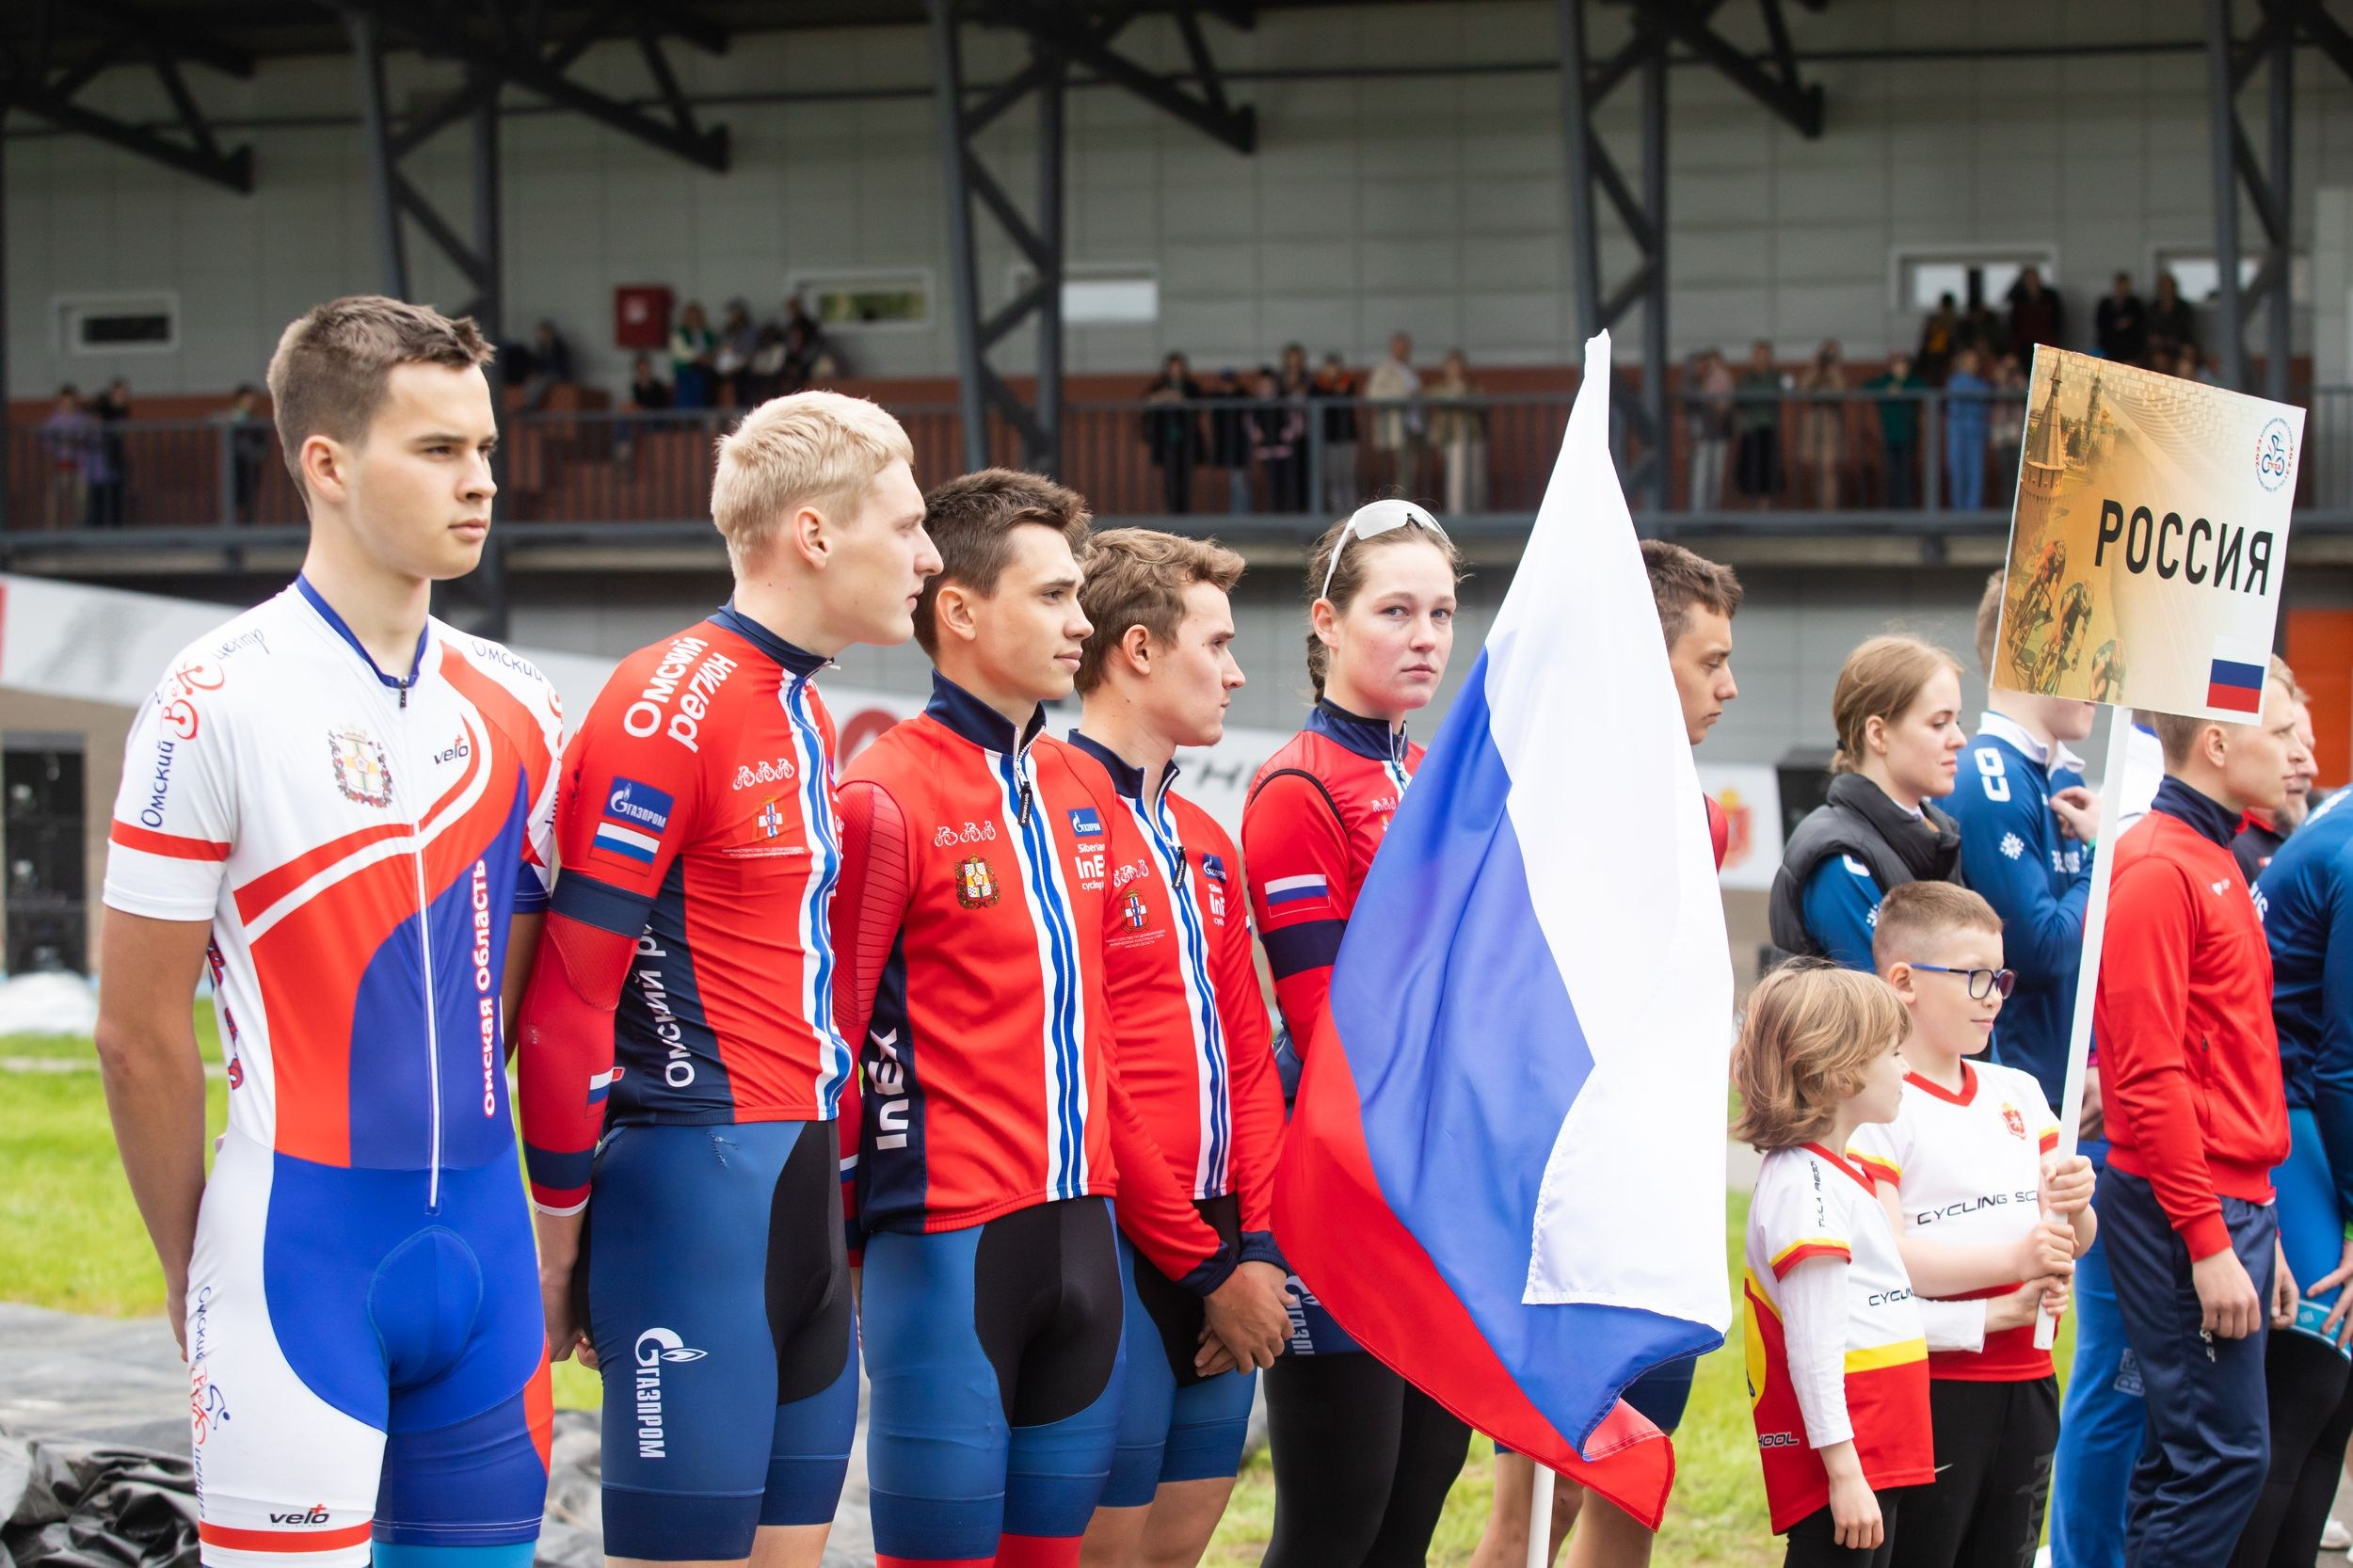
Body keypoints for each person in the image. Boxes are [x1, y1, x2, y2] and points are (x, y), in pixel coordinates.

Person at [94, 296, 565, 1567]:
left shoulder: (521, 702)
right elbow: (137, 1040)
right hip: (291, 1259)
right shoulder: (212, 698)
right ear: (327, 464)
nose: (480, 483)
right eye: (438, 451)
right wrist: (199, 1271)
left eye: (484, 450)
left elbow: (512, 1004)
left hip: (485, 1261)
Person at [832, 471, 1290, 1568]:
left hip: (1089, 1240)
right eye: (1050, 598)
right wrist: (839, 1238)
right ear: (960, 609)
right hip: (968, 1245)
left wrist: (1253, 1239)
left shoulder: (1086, 799)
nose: (1077, 624)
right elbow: (835, 1044)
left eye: (1078, 598)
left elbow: (1196, 1046)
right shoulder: (890, 789)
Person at [513, 392, 936, 1568]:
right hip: (693, 1192)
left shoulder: (799, 701)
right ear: (812, 533)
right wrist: (558, 1244)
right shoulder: (669, 701)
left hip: (795, 1188)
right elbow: (565, 1005)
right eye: (903, 527)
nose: (928, 554)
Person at [1468, 539, 1745, 1568]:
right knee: (1522, 1515)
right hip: (1565, 1213)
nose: (1731, 684)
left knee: (1633, 1496)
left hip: (1659, 1211)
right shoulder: (1540, 813)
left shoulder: (1698, 818)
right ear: (1641, 659)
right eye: (1707, 661)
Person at [1243, 500, 1469, 1568]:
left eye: (1441, 610)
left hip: (1436, 1191)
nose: (1426, 634)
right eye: (1396, 610)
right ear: (1327, 621)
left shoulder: (1430, 774)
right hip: (1341, 1194)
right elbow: (1327, 1024)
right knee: (1336, 1525)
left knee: (1415, 1508)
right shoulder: (1297, 786)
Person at [1064, 529, 1292, 1568]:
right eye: (1219, 642)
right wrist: (1207, 1268)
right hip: (1116, 1237)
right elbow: (1086, 1070)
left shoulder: (1205, 834)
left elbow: (1251, 1056)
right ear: (1140, 651)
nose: (1239, 671)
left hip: (1226, 1242)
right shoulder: (1049, 812)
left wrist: (1259, 1249)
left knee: (1175, 1554)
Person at [2095, 681, 2307, 1564]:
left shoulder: (2218, 856)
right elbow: (2147, 1075)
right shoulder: (2158, 865)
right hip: (2185, 1211)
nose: (2303, 750)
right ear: (2216, 742)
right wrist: (2211, 1240)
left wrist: (2264, 1232)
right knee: (2222, 1459)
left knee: (2188, 1457)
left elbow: (2233, 1058)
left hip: (2230, 1206)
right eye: (2282, 729)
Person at [1849, 883, 2095, 1568]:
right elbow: (1890, 1254)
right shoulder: (1877, 1106)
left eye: (2001, 977)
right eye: (1975, 977)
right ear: (1904, 982)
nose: (1994, 995)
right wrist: (2013, 1269)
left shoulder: (2015, 1091)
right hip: (1929, 1386)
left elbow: (2074, 1237)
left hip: (2029, 1377)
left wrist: (2076, 1204)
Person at [1733, 962, 1931, 1568]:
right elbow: (1813, 1349)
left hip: (1877, 1450)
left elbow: (1877, 1315)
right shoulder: (1806, 1187)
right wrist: (1844, 1474)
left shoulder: (1837, 1174)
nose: (1906, 1068)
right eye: (1893, 1053)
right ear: (1839, 1072)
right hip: (1850, 1462)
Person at [2245, 760, 2353, 1566]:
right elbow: (2343, 1063)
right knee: (2310, 1381)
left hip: (2307, 1096)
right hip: (2289, 1102)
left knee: (2334, 1397)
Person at [1769, 636, 1968, 970]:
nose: (1960, 740)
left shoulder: (1935, 832)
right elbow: (1894, 1007)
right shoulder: (1838, 859)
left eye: (1957, 722)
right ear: (1877, 734)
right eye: (1939, 723)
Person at [2232, 661, 2318, 880]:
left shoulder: (2318, 834)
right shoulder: (2226, 846)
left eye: (2309, 747)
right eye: (2283, 739)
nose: (2311, 768)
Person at [1143, 354, 1205, 516]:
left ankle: (1184, 513)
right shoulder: (1159, 385)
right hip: (1166, 440)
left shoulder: (1191, 386)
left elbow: (1197, 407)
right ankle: (1173, 512)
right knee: (1169, 480)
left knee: (1185, 479)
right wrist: (1164, 397)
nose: (1175, 371)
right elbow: (1148, 401)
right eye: (1172, 367)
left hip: (1187, 440)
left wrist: (1178, 399)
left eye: (1178, 367)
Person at [1427, 350, 1488, 515]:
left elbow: (1481, 404)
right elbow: (1434, 399)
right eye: (1452, 366)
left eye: (1459, 365)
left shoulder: (1472, 387)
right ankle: (1457, 513)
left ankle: (1477, 512)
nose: (1456, 369)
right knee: (1457, 477)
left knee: (1476, 478)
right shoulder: (1440, 388)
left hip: (1474, 436)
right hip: (1453, 437)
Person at [1364, 333, 1423, 499]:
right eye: (1399, 347)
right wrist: (1403, 395)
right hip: (1394, 426)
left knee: (1410, 468)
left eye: (1405, 348)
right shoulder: (1384, 370)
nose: (1402, 351)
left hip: (1413, 426)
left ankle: (1407, 501)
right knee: (1398, 469)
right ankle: (1398, 505)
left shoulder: (1411, 370)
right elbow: (1373, 394)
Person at [1863, 351, 1923, 510]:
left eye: (1904, 364)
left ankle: (1906, 508)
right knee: (1892, 474)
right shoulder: (1885, 381)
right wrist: (1887, 391)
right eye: (1897, 364)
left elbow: (1923, 388)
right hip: (1889, 436)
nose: (1901, 367)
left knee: (1907, 474)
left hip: (1908, 435)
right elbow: (1867, 386)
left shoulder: (1912, 382)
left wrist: (1902, 390)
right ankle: (1894, 508)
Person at [1796, 341, 1847, 509]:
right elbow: (1802, 389)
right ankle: (1820, 507)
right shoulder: (1815, 373)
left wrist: (1833, 368)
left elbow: (1840, 392)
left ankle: (1829, 510)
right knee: (1816, 470)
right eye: (1826, 353)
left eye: (1831, 354)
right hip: (1813, 422)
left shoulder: (1837, 373)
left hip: (1830, 423)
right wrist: (1814, 367)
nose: (1828, 357)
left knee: (1829, 469)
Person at [1735, 341, 1785, 507]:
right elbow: (1742, 396)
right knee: (1751, 469)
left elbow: (1784, 390)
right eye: (1759, 355)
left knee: (1768, 469)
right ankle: (1754, 508)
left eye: (1765, 355)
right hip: (1751, 428)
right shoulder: (1746, 378)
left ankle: (1765, 508)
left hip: (1769, 427)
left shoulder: (1776, 377)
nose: (1762, 359)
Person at [1251, 367, 1307, 515]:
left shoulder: (1284, 402)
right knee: (1270, 484)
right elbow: (1250, 424)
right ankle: (1273, 512)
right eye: (1262, 385)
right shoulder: (1255, 406)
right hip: (1265, 451)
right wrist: (1257, 435)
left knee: (1286, 482)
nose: (1266, 388)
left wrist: (1290, 434)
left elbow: (1296, 421)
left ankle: (1287, 512)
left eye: (1268, 385)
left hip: (1283, 450)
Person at [214, 384, 272, 524]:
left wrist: (258, 455)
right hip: (236, 466)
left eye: (251, 399)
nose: (249, 402)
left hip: (251, 467)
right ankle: (232, 530)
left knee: (249, 500)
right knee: (233, 499)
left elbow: (262, 445)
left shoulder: (256, 421)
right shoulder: (233, 418)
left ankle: (247, 528)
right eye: (246, 399)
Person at [1686, 349, 1735, 511]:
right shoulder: (1694, 382)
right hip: (1703, 435)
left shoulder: (1723, 380)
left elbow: (1725, 406)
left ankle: (1712, 512)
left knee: (1716, 477)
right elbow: (1693, 407)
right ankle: (1698, 514)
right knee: (1701, 476)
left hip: (1719, 434)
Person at [1944, 349, 1992, 511]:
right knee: (1958, 472)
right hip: (1958, 433)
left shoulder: (1981, 384)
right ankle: (1960, 511)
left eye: (1974, 361)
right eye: (1968, 361)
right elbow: (1955, 408)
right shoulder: (1955, 382)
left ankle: (1973, 511)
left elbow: (1984, 402)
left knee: (1975, 472)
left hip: (1976, 433)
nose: (1972, 365)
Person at [41, 386, 94, 531]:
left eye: (71, 401)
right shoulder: (54, 421)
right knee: (54, 501)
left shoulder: (82, 419)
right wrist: (61, 443)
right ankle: (52, 533)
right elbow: (47, 442)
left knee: (81, 502)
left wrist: (78, 440)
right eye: (65, 401)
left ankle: (79, 532)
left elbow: (89, 437)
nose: (68, 404)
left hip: (80, 466)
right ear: (60, 402)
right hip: (61, 466)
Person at [1314, 352, 1360, 513]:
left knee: (1347, 477)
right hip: (1329, 438)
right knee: (1332, 478)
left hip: (1347, 437)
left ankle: (1351, 511)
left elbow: (1348, 397)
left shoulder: (1348, 383)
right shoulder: (1318, 386)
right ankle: (1337, 512)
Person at [1207, 369, 1254, 514]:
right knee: (1235, 481)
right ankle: (1238, 513)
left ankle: (1241, 514)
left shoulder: (1243, 397)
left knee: (1239, 481)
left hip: (1241, 446)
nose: (1227, 386)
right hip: (1227, 446)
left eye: (1230, 382)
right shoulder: (1217, 398)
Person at [670, 301, 717, 409]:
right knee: (689, 388)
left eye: (696, 317)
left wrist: (708, 358)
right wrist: (699, 358)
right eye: (691, 317)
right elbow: (682, 353)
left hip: (705, 369)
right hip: (686, 369)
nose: (693, 320)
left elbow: (713, 349)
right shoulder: (679, 333)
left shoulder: (707, 333)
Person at [2144, 273, 2195, 369]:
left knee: (2187, 359)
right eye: (2163, 288)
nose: (2166, 291)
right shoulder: (2153, 308)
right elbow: (2149, 331)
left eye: (2168, 287)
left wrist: (2177, 342)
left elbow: (2187, 331)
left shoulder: (2183, 308)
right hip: (2159, 348)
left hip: (2178, 345)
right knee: (2159, 360)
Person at [713, 300, 760, 406]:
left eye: (734, 313)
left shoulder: (749, 330)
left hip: (743, 368)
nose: (732, 316)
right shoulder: (727, 330)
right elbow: (721, 348)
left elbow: (749, 354)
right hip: (725, 368)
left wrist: (736, 364)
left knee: (736, 382)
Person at [2095, 274, 2147, 364]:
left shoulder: (2135, 305)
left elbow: (2140, 326)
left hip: (2130, 350)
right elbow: (2101, 325)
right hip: (2109, 348)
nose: (2122, 290)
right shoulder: (2105, 305)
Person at [1916, 295, 1961, 384]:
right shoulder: (1936, 319)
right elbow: (1927, 338)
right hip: (1933, 354)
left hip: (1943, 354)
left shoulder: (1953, 320)